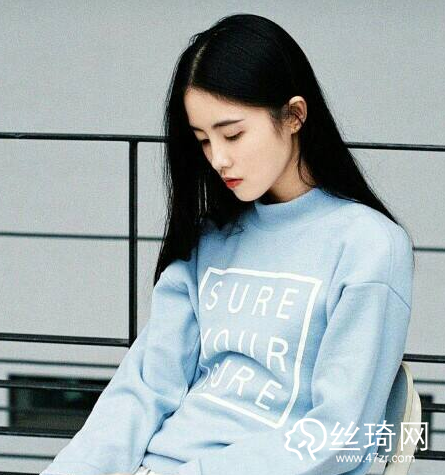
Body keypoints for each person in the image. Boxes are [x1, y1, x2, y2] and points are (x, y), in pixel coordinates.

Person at [40, 12, 415, 475]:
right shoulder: (209, 239)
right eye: (203, 140)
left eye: (233, 134)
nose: (218, 158)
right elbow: (143, 390)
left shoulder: (369, 246)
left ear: (294, 115)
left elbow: (336, 435)